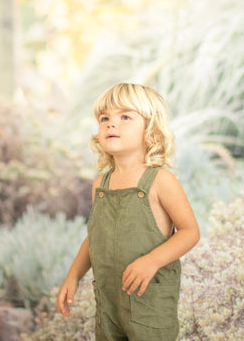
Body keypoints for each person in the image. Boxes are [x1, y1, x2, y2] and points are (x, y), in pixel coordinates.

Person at [57, 83, 200, 341]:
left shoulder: (160, 180)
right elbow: (96, 238)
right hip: (109, 303)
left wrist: (152, 260)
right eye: (105, 118)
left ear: (150, 129)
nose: (112, 124)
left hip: (149, 304)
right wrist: (73, 276)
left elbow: (190, 232)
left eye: (125, 117)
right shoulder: (101, 184)